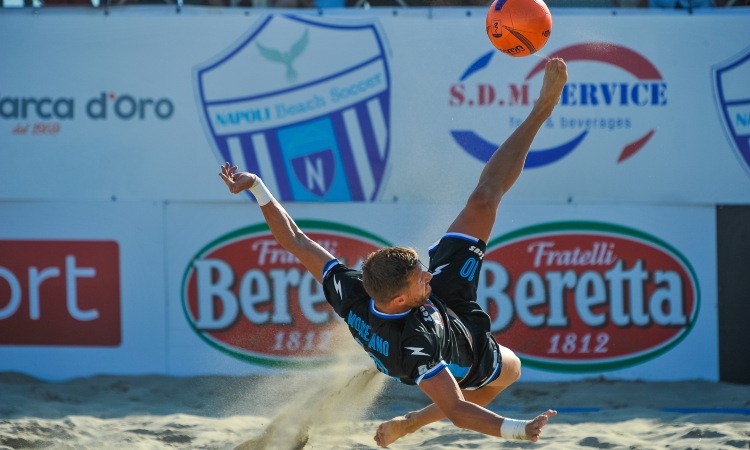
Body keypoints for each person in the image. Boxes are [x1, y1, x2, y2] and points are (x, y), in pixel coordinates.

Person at [220, 57, 568, 446]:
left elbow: (296, 239)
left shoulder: (351, 290)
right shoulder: (415, 342)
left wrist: (257, 187)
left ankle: (542, 110)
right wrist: (520, 430)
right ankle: (409, 422)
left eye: (423, 267)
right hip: (462, 348)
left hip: (426, 311)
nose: (430, 273)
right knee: (511, 370)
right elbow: (457, 411)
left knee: (483, 200)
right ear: (402, 297)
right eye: (423, 276)